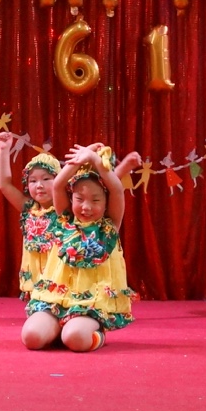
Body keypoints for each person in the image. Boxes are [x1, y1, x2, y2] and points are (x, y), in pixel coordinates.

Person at [24, 144, 138, 352]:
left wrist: (95, 160)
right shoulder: (64, 219)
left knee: (75, 338)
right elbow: (58, 185)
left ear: (106, 202)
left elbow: (116, 189)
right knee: (32, 337)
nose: (86, 207)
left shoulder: (108, 226)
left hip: (89, 305)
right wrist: (78, 160)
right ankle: (59, 328)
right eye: (79, 199)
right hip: (55, 300)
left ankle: (93, 333)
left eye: (95, 200)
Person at [0, 132, 63, 299]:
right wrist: (4, 150)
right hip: (36, 284)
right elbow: (5, 185)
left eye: (46, 179)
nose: (39, 185)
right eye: (33, 181)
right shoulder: (29, 208)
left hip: (60, 284)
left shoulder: (64, 209)